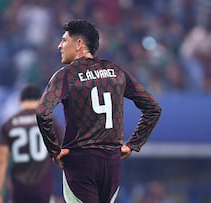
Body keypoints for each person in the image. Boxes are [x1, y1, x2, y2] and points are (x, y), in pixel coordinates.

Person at [36, 19, 162, 203]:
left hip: (80, 161)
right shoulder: (116, 72)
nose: (59, 46)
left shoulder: (66, 75)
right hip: (111, 162)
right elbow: (153, 108)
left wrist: (54, 151)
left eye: (64, 40)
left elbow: (42, 113)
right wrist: (133, 144)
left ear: (79, 44)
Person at [0, 84, 62, 203]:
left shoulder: (8, 125)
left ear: (19, 101)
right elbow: (62, 152)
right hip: (43, 187)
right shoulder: (50, 121)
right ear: (41, 100)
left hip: (19, 189)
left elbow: (2, 160)